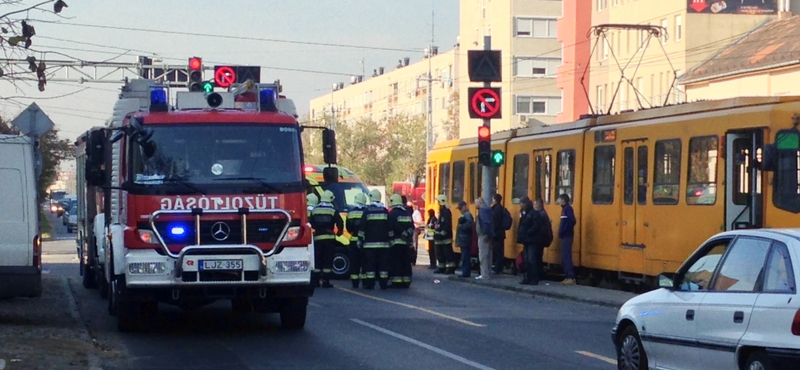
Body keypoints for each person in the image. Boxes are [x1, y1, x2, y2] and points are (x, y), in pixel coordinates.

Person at [309, 190, 344, 288]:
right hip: (329, 239)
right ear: (331, 199)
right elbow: (340, 222)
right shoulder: (332, 210)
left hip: (317, 238)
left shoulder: (315, 210)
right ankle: (326, 282)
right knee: (327, 261)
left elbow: (310, 223)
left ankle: (316, 282)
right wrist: (339, 232)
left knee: (318, 260)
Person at [359, 189, 392, 290]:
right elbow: (390, 227)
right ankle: (383, 284)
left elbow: (362, 227)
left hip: (370, 245)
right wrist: (390, 239)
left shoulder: (367, 211)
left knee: (370, 265)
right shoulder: (385, 211)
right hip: (384, 245)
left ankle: (370, 284)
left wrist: (360, 239)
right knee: (383, 266)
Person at [388, 194, 414, 288]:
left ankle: (397, 281)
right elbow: (411, 227)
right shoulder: (406, 212)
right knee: (406, 262)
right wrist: (407, 235)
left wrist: (390, 239)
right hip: (406, 243)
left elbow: (391, 228)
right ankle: (406, 281)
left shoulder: (392, 213)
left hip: (396, 243)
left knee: (396, 262)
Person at [346, 193, 368, 288]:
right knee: (365, 262)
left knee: (354, 263)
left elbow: (348, 227)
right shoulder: (367, 212)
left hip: (353, 240)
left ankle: (355, 283)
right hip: (365, 241)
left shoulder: (351, 212)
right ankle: (365, 283)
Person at [433, 194, 456, 274]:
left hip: (445, 238)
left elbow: (447, 224)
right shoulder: (442, 211)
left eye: (438, 202)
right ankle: (441, 267)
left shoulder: (446, 212)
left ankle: (451, 268)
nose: (438, 203)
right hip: (440, 238)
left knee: (448, 253)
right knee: (440, 254)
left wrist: (442, 234)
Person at [557, 193, 577, 285]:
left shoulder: (567, 209)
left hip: (567, 236)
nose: (558, 201)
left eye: (560, 200)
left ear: (564, 201)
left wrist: (564, 231)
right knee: (564, 256)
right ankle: (567, 276)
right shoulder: (565, 209)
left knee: (566, 256)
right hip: (566, 235)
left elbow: (572, 220)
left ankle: (570, 277)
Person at [474, 197, 495, 280]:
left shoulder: (483, 211)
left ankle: (484, 274)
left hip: (483, 235)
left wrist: (486, 233)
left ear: (480, 203)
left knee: (483, 255)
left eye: (476, 203)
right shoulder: (488, 210)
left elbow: (486, 223)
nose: (475, 205)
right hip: (488, 235)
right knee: (489, 255)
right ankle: (488, 272)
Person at [454, 201, 474, 278]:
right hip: (464, 238)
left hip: (465, 238)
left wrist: (461, 226)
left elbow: (469, 224)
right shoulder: (465, 215)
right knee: (464, 256)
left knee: (465, 256)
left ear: (465, 207)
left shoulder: (467, 215)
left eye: (460, 208)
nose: (460, 210)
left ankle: (465, 273)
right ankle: (465, 272)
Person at [490, 194, 508, 275]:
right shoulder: (500, 208)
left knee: (497, 252)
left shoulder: (496, 209)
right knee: (499, 251)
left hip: (497, 234)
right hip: (500, 233)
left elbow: (495, 222)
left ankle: (497, 268)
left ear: (495, 200)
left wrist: (492, 232)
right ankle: (498, 267)